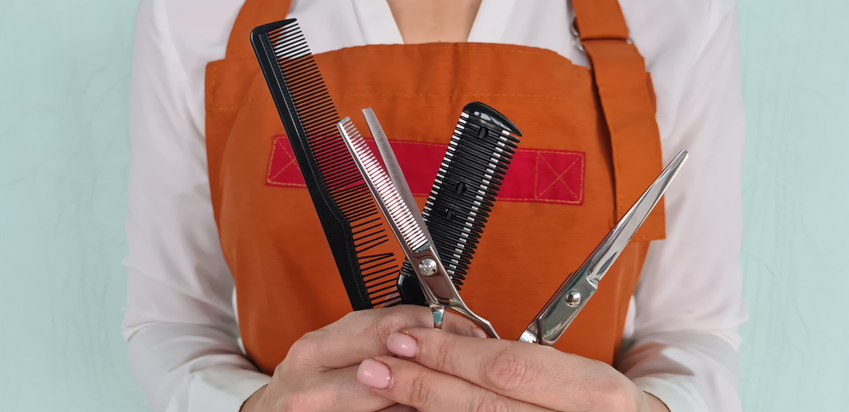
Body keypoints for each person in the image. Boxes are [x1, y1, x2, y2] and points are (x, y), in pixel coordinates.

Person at [123, 0, 747, 411]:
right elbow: (168, 323)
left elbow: (694, 335)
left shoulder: (675, 16)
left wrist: (642, 411)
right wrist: (254, 406)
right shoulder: (194, 15)